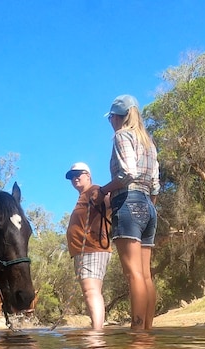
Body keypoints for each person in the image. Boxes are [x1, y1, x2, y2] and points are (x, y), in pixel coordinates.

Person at [98, 94, 160, 330]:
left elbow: (127, 173)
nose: (111, 122)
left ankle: (136, 333)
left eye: (111, 118)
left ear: (116, 117)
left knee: (133, 274)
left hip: (128, 202)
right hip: (148, 206)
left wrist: (104, 190)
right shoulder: (149, 143)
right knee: (145, 275)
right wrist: (149, 206)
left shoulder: (122, 135)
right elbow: (155, 184)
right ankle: (147, 331)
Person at [65, 161, 112, 330]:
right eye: (71, 176)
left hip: (93, 248)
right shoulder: (83, 196)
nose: (74, 178)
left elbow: (108, 201)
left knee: (90, 291)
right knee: (91, 291)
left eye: (78, 174)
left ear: (88, 175)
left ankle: (97, 332)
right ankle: (97, 328)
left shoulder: (94, 190)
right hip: (83, 252)